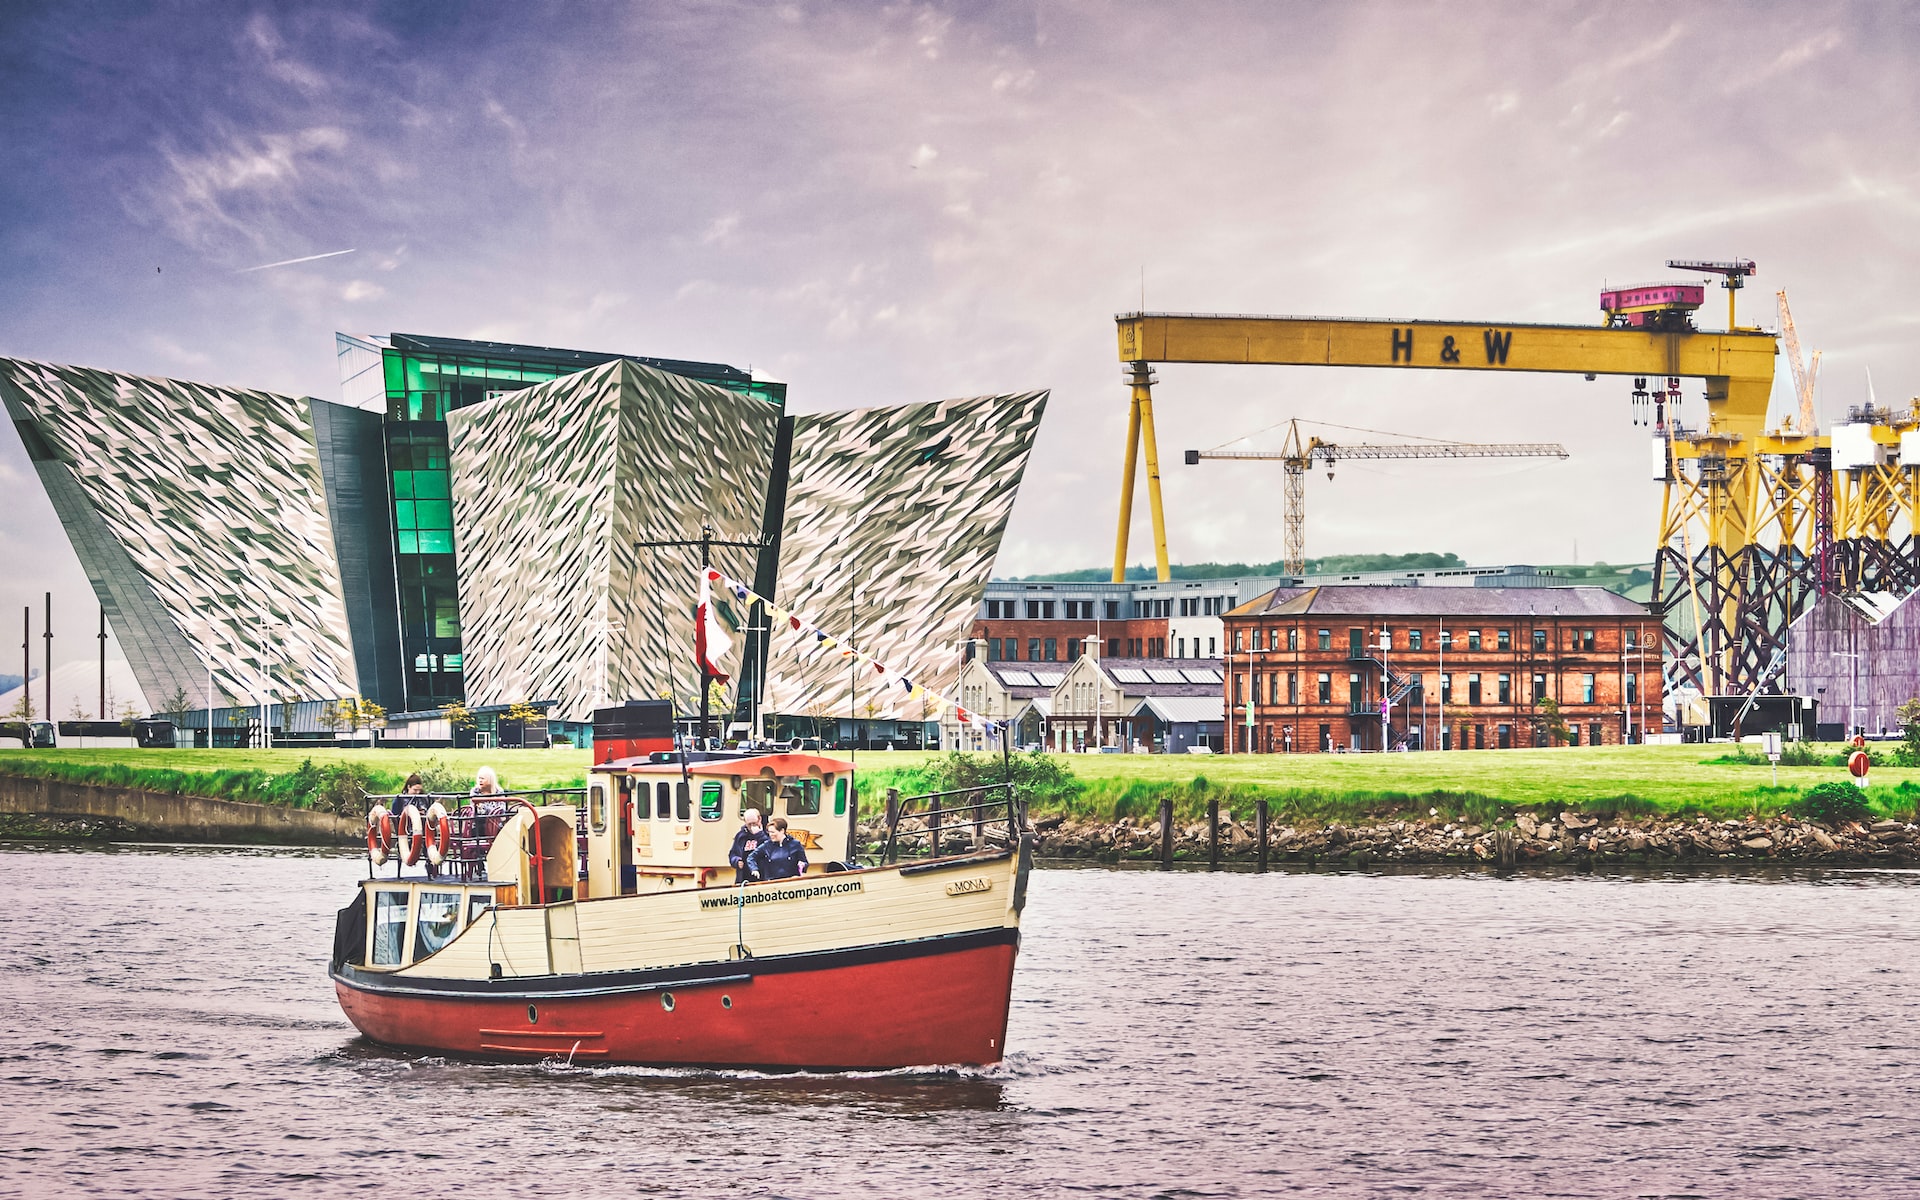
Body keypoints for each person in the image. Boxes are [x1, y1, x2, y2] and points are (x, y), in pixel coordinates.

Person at [748, 817, 809, 881]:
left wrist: (802, 865)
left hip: (791, 882)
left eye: (773, 832)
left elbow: (805, 863)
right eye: (769, 832)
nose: (770, 835)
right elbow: (751, 857)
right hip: (772, 883)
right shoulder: (767, 845)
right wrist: (754, 869)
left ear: (782, 831)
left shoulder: (795, 844)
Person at [729, 807, 767, 885]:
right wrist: (736, 861)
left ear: (759, 819)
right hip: (744, 877)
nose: (752, 826)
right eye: (749, 824)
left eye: (754, 823)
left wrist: (759, 835)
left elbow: (770, 848)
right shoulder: (741, 835)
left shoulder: (768, 832)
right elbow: (733, 853)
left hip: (763, 875)